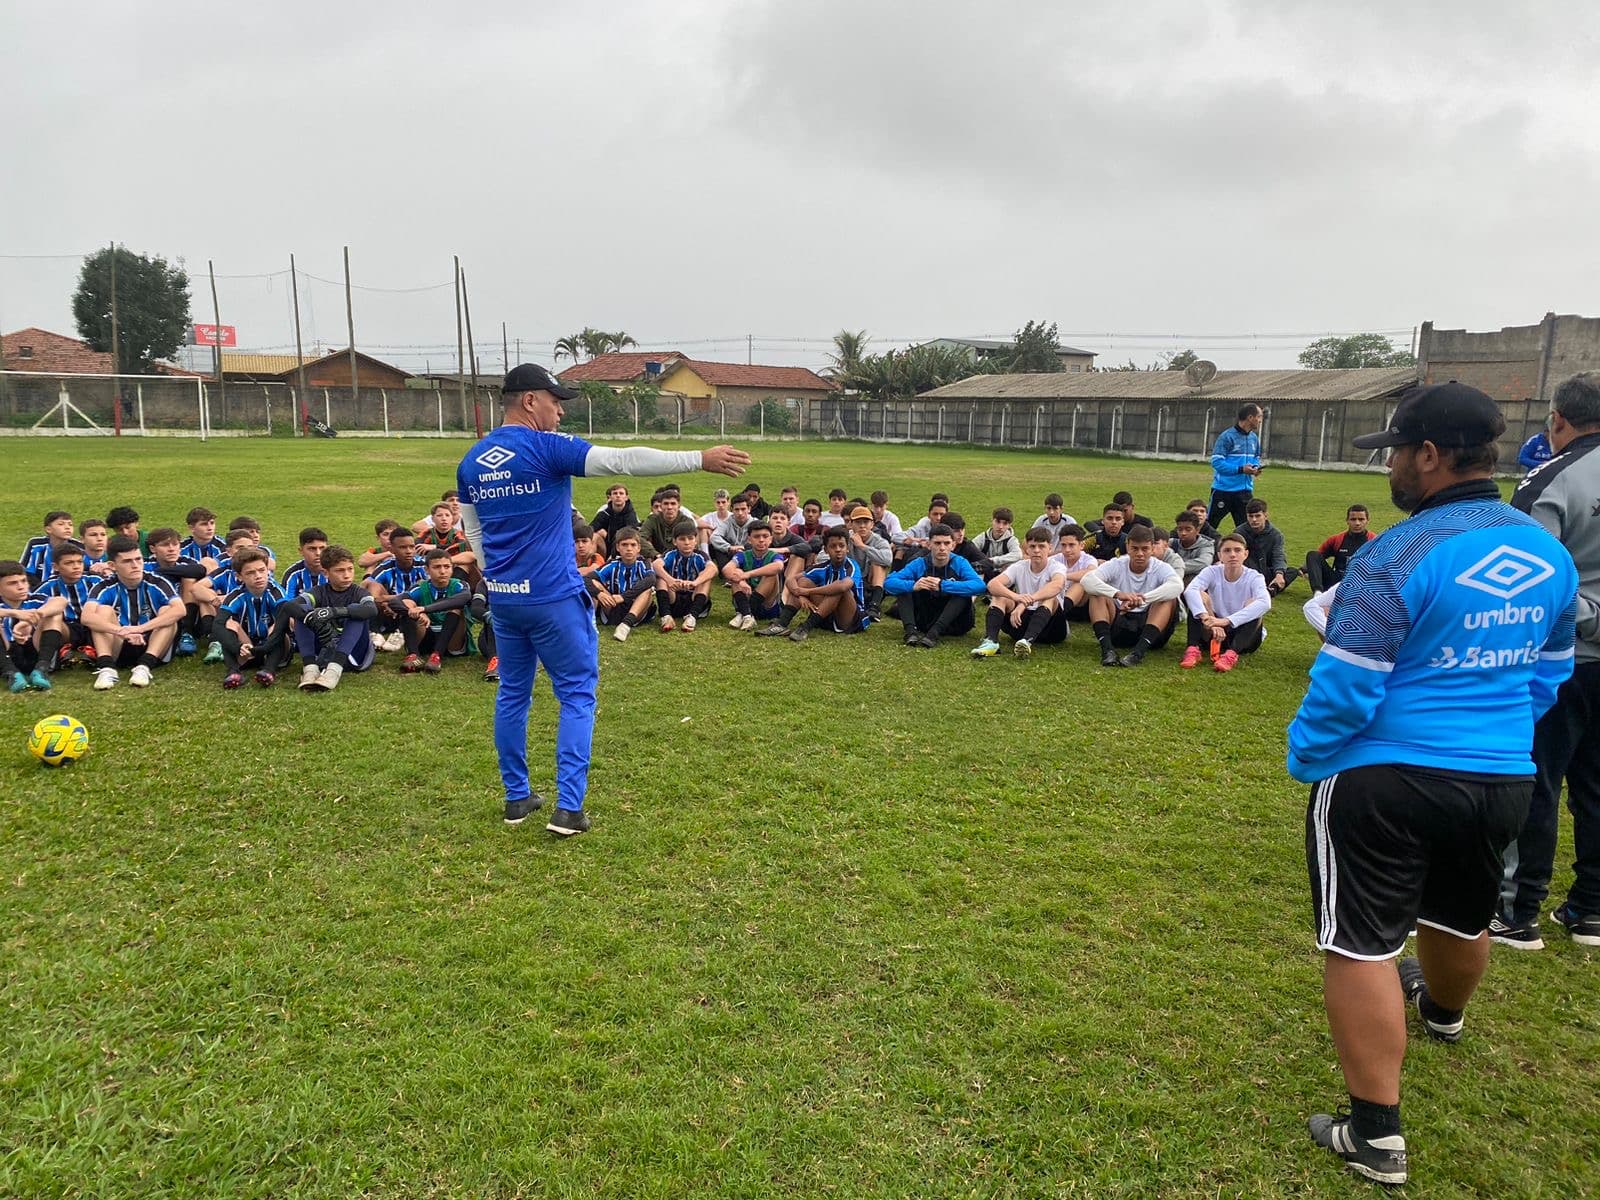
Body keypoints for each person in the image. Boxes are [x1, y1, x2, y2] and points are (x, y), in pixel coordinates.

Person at [1286, 382, 1577, 1187]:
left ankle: (1375, 1135)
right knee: (1461, 910)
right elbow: (1549, 675)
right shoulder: (1547, 553)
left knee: (1360, 943)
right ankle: (1442, 1016)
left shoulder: (1394, 553)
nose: (1390, 471)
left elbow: (1345, 683)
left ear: (1430, 455)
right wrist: (1496, 735)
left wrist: (1309, 759)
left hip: (1388, 776)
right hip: (1500, 777)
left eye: (1395, 454)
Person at [456, 363, 748, 836]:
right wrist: (697, 457)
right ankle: (568, 808)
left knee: (513, 693)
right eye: (555, 401)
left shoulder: (471, 462)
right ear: (530, 401)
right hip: (552, 598)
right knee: (575, 695)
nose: (559, 411)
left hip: (505, 600)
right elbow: (621, 460)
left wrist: (499, 577)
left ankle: (516, 798)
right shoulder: (546, 447)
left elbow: (474, 531)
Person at [1497, 372, 1600, 949]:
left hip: (1567, 657)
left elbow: (1530, 575)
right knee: (1597, 785)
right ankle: (1590, 910)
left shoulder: (1551, 476)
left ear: (1558, 419)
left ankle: (1517, 911)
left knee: (1535, 777)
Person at [82, 534, 185, 690]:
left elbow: (180, 610)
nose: (135, 565)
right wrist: (121, 631)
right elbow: (86, 617)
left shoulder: (157, 582)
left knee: (168, 611)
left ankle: (144, 667)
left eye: (138, 559)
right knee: (103, 611)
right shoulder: (104, 586)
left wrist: (140, 629)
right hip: (120, 643)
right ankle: (106, 667)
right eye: (127, 561)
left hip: (152, 644)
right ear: (112, 565)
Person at [1081, 524, 1181, 667]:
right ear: (1127, 547)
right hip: (1120, 624)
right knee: (1097, 594)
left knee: (1168, 598)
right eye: (1135, 548)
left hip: (1151, 631)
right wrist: (1118, 594)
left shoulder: (1161, 567)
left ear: (1152, 548)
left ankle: (1138, 653)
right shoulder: (1117, 563)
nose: (1140, 553)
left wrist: (1143, 599)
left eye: (1145, 549)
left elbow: (1177, 586)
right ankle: (1107, 650)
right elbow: (1087, 580)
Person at [287, 545, 381, 692]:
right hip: (325, 647)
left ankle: (334, 671)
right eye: (340, 570)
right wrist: (311, 618)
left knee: (357, 612)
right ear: (325, 572)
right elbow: (290, 606)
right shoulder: (318, 592)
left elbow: (372, 609)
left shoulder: (359, 592)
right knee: (303, 611)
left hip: (354, 652)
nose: (347, 575)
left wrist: (334, 612)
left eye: (350, 569)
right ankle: (310, 669)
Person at [883, 523, 987, 648]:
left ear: (953, 545)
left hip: (956, 624)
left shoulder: (960, 562)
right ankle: (910, 632)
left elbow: (980, 586)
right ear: (929, 545)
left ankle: (934, 634)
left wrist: (943, 585)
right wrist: (914, 585)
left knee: (963, 594)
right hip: (924, 620)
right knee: (903, 588)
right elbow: (888, 583)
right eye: (937, 543)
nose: (942, 548)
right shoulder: (920, 563)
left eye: (947, 543)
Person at [1180, 531, 1271, 671]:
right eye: (1227, 550)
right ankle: (1193, 648)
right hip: (1213, 631)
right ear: (1220, 555)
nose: (1233, 554)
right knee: (1198, 596)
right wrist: (1208, 619)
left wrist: (1226, 621)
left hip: (1245, 637)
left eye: (1237, 550)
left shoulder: (1254, 577)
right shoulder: (1211, 571)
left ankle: (1232, 654)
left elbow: (1265, 602)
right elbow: (1190, 591)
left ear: (1245, 554)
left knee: (1254, 604)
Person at [972, 527, 1068, 659]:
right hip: (1020, 621)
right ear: (1027, 549)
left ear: (1050, 548)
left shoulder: (1056, 566)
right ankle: (991, 641)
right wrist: (1016, 597)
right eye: (1032, 546)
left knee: (1051, 598)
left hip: (1052, 629)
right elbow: (992, 584)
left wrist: (1025, 602)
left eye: (1041, 546)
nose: (1036, 550)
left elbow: (1057, 585)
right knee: (1000, 596)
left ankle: (1027, 642)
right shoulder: (1020, 566)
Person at [215, 547, 293, 689]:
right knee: (230, 625)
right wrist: (237, 646)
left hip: (272, 647)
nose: (258, 576)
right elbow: (218, 624)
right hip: (247, 649)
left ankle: (269, 670)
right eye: (251, 572)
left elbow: (284, 621)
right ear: (239, 576)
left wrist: (265, 647)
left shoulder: (275, 591)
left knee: (278, 625)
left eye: (262, 570)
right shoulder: (236, 595)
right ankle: (233, 671)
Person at [23, 543, 96, 677]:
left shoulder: (95, 581)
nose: (76, 566)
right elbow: (31, 604)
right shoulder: (48, 586)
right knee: (51, 615)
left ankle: (94, 651)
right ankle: (49, 660)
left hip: (93, 626)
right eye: (69, 563)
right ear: (56, 567)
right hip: (67, 629)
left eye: (79, 562)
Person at [780, 526, 864, 642]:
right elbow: (790, 579)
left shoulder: (852, 566)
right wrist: (801, 595)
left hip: (849, 620)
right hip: (827, 614)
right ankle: (781, 624)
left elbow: (843, 586)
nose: (838, 549)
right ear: (826, 550)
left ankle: (806, 627)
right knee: (803, 581)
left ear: (847, 548)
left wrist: (808, 592)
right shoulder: (823, 566)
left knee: (839, 589)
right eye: (833, 546)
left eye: (842, 546)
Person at [397, 549, 472, 674]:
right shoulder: (421, 587)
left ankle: (437, 655)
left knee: (457, 607)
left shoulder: (460, 585)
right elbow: (396, 602)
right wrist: (417, 611)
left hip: (453, 640)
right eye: (437, 567)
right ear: (427, 570)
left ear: (452, 568)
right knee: (408, 605)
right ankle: (413, 655)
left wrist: (425, 609)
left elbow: (464, 598)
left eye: (447, 567)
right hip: (426, 635)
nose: (442, 571)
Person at [590, 528, 657, 641]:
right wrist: (599, 594)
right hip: (613, 607)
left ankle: (625, 626)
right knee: (594, 582)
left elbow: (651, 579)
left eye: (633, 545)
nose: (629, 549)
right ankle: (589, 622)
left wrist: (623, 597)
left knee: (648, 589)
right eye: (624, 545)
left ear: (639, 548)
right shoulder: (612, 565)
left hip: (636, 610)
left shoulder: (644, 563)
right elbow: (586, 579)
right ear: (618, 547)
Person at [1207, 403, 1263, 530]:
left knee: (1248, 530)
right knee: (1209, 527)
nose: (1260, 421)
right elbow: (1217, 462)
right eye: (1259, 417)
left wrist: (1255, 468)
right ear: (1250, 417)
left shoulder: (1254, 438)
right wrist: (1241, 469)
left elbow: (1256, 458)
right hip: (1223, 491)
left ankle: (1243, 550)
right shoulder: (1227, 437)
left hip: (1245, 492)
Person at [654, 522, 716, 631]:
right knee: (661, 578)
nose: (687, 543)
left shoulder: (700, 555)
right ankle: (666, 616)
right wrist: (670, 580)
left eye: (690, 538)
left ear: (696, 540)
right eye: (682, 539)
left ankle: (692, 617)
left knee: (705, 577)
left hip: (694, 599)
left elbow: (713, 569)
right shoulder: (670, 554)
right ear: (674, 541)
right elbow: (656, 564)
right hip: (674, 599)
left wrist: (695, 583)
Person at [723, 521, 784, 630]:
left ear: (770, 539)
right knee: (735, 572)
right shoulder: (742, 555)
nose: (761, 540)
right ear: (749, 539)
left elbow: (779, 567)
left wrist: (747, 575)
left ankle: (743, 614)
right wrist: (740, 581)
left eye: (765, 536)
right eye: (756, 536)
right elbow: (726, 569)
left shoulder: (775, 555)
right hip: (745, 598)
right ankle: (747, 616)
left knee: (771, 573)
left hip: (767, 606)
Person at [0, 560, 50, 692]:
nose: (21, 586)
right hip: (6, 652)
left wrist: (30, 619)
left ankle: (42, 669)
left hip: (33, 649)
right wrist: (14, 613)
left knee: (53, 616)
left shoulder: (37, 599)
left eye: (23, 581)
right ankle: (11, 673)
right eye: (12, 583)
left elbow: (61, 602)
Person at [1304, 504, 1376, 594]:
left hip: (1360, 583)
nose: (1357, 523)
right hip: (1336, 581)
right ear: (1347, 521)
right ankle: (1318, 594)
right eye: (1353, 519)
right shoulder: (1337, 539)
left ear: (1367, 521)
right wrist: (1305, 569)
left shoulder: (1375, 541)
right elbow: (1317, 557)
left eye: (1361, 519)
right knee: (1312, 554)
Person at [1240, 498, 1299, 595]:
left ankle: (1272, 587)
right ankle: (1270, 588)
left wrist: (1279, 574)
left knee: (1292, 571)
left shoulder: (1276, 535)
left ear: (1266, 516)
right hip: (1248, 570)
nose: (1254, 520)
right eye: (1251, 516)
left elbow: (1278, 555)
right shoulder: (1240, 532)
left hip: (1266, 570)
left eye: (1258, 516)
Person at [843, 505, 892, 618]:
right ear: (851, 524)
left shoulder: (879, 540)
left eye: (866, 522)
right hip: (850, 578)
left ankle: (875, 606)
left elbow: (888, 559)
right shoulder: (844, 537)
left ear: (872, 524)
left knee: (879, 564)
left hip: (871, 580)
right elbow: (823, 555)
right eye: (858, 522)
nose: (862, 526)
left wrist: (862, 546)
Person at [20, 510, 80, 588]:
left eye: (70, 525)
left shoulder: (79, 547)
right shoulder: (36, 544)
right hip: (37, 589)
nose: (67, 527)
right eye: (61, 524)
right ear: (48, 529)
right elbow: (25, 571)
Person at [589, 484, 638, 558]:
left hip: (624, 548)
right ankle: (587, 561)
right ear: (610, 497)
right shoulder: (605, 513)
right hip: (607, 546)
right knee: (594, 536)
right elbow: (591, 528)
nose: (618, 496)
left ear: (626, 498)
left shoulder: (631, 515)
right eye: (615, 493)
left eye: (621, 493)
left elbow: (631, 533)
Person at [971, 508, 1022, 575]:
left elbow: (1018, 555)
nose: (1000, 526)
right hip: (985, 572)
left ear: (1010, 525)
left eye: (1005, 523)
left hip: (1004, 574)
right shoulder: (983, 537)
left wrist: (992, 561)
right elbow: (969, 549)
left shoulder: (1012, 540)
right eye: (998, 522)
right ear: (992, 520)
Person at [1170, 511, 1216, 583]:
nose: (1183, 533)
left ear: (1197, 530)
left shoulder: (1207, 545)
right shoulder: (1171, 543)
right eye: (1180, 529)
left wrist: (1174, 568)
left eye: (1188, 529)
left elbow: (1204, 563)